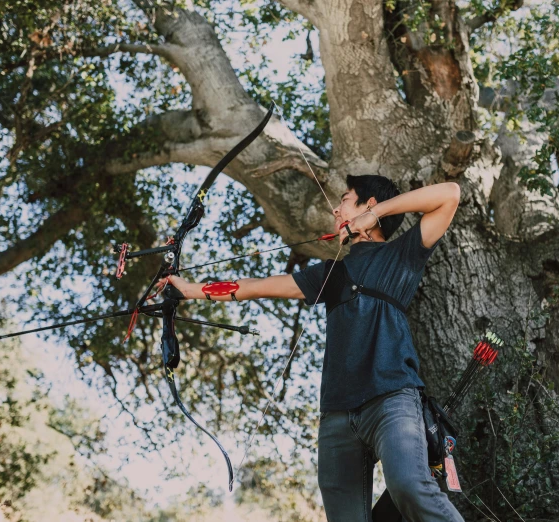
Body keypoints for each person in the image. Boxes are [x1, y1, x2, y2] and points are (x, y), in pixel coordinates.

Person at [158, 175, 464, 522]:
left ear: (369, 205)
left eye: (346, 200)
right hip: (336, 415)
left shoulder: (401, 255)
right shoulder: (333, 273)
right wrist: (188, 290)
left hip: (392, 398)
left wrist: (375, 216)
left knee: (410, 486)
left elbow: (449, 194)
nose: (336, 207)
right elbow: (255, 286)